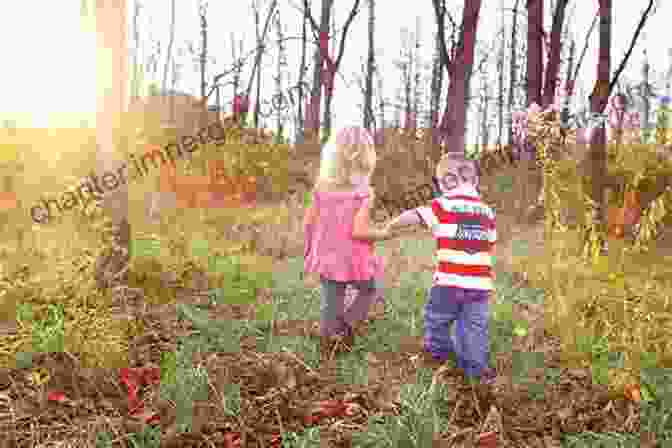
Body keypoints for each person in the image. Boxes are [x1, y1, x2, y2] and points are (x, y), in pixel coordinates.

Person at [385, 152, 498, 385]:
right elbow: (491, 241)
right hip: (479, 287)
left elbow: (415, 216)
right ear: (475, 181)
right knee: (475, 329)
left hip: (447, 284)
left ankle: (437, 356)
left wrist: (391, 226)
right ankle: (476, 373)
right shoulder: (487, 212)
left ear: (448, 180)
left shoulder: (443, 205)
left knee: (436, 320)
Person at [303, 127, 388, 355]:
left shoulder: (321, 188)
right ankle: (347, 325)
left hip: (326, 255)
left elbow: (309, 223)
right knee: (368, 289)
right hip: (353, 257)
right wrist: (383, 232)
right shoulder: (364, 193)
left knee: (332, 299)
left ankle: (328, 341)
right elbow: (359, 231)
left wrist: (310, 250)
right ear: (365, 158)